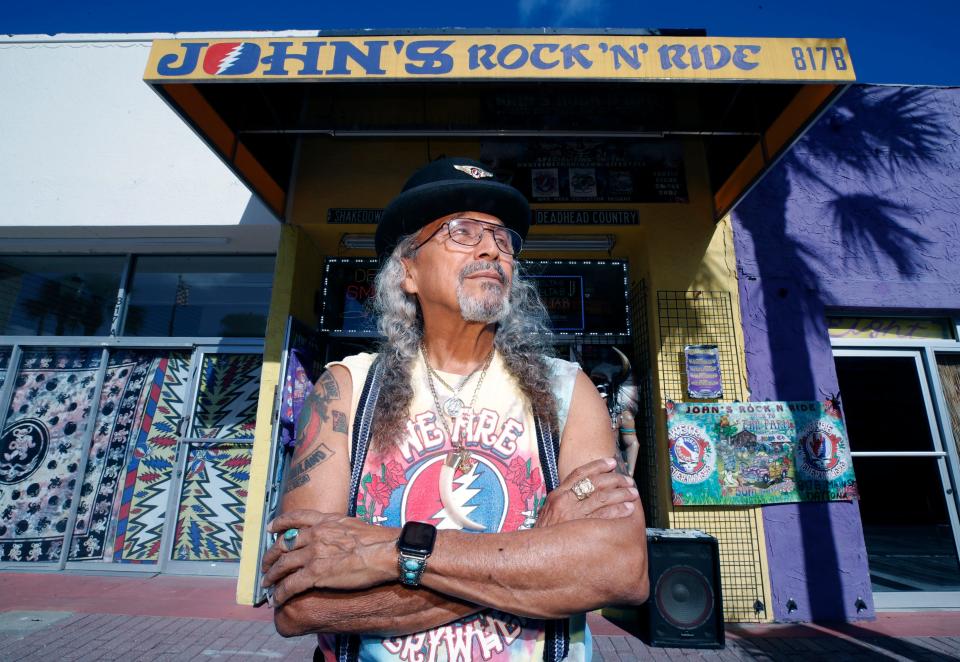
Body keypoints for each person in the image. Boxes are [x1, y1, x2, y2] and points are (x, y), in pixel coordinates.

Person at [261, 157, 649, 661]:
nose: (492, 248)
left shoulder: (566, 391)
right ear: (408, 271)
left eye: (502, 237)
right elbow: (300, 604)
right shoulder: (346, 390)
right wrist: (538, 556)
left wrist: (388, 551)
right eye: (461, 232)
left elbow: (620, 570)